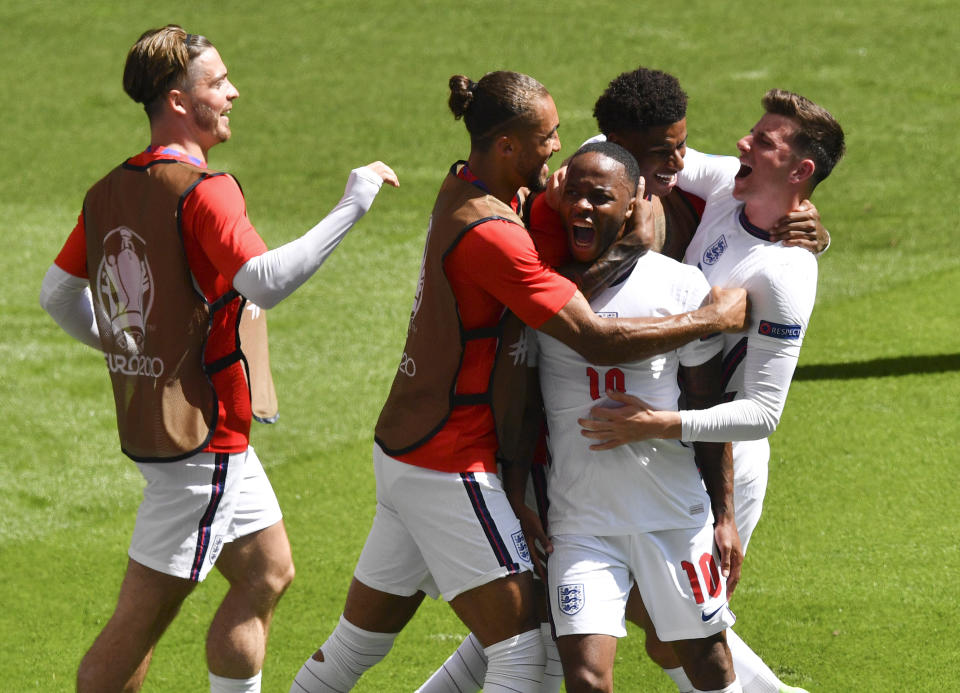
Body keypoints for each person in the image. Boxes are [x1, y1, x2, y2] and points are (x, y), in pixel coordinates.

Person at [289, 70, 748, 693]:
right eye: (548, 137)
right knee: (522, 653)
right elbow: (589, 335)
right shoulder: (495, 234)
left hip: (406, 450)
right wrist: (708, 318)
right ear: (508, 147)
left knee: (356, 646)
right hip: (449, 459)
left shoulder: (476, 191)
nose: (558, 148)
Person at [38, 25, 397, 693]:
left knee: (266, 571)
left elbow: (57, 295)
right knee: (137, 624)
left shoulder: (111, 188)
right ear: (179, 100)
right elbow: (263, 279)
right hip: (203, 448)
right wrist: (352, 203)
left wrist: (130, 348)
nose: (234, 92)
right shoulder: (207, 191)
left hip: (187, 433)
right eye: (218, 82)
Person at [579, 88, 846, 693]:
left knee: (679, 630)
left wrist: (660, 426)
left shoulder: (786, 271)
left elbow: (762, 414)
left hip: (725, 461)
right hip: (668, 448)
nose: (741, 143)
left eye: (764, 141)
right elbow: (619, 152)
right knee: (661, 623)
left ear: (800, 170)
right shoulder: (731, 184)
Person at [533, 141, 744, 693]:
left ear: (632, 207)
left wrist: (723, 512)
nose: (582, 207)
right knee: (585, 677)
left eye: (599, 197)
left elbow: (703, 402)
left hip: (673, 519)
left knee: (710, 664)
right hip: (580, 523)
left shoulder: (678, 285)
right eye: (572, 194)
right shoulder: (541, 283)